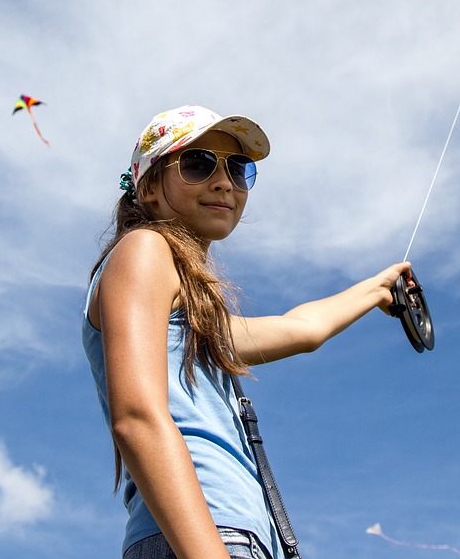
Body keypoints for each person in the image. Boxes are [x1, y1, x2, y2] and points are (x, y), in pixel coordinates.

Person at [83, 105, 413, 559]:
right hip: (204, 539)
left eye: (238, 169)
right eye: (198, 163)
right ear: (149, 188)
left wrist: (377, 290)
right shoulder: (144, 249)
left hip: (237, 538)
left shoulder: (192, 316)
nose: (224, 182)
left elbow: (302, 329)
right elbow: (137, 418)